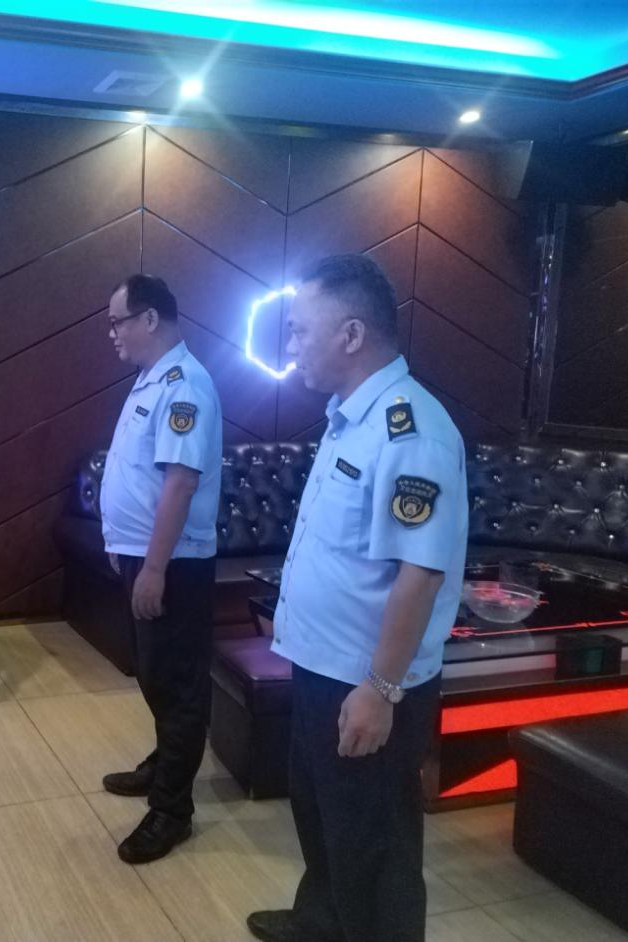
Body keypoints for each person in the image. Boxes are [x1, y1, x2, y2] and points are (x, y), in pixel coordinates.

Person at [246, 255, 467, 942]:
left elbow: (420, 574)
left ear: (350, 334)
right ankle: (321, 922)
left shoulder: (411, 430)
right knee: (322, 818)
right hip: (324, 669)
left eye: (298, 329)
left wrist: (380, 688)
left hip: (366, 681)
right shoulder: (351, 418)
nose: (290, 345)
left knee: (375, 847)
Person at [98, 274, 222, 864]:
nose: (112, 334)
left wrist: (153, 567)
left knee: (176, 682)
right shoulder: (151, 377)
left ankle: (173, 810)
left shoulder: (185, 385)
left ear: (150, 319)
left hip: (173, 563)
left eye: (117, 322)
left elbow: (180, 483)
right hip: (142, 553)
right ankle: (164, 761)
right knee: (154, 674)